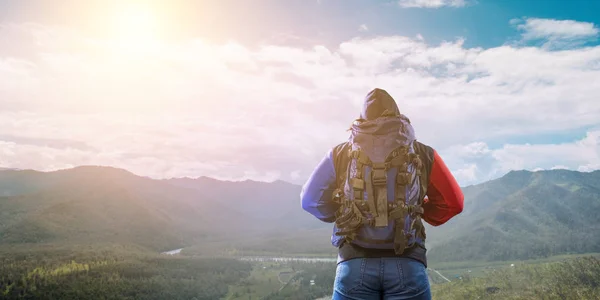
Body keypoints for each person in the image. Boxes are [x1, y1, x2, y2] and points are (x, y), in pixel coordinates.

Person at [301, 88, 464, 300]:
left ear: (361, 119)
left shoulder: (339, 154)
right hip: (407, 262)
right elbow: (454, 203)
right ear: (399, 117)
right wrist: (420, 210)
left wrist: (340, 212)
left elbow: (309, 200)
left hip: (353, 263)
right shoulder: (424, 153)